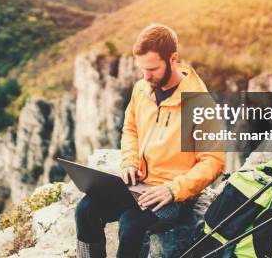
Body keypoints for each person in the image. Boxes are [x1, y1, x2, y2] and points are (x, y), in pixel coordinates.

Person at [75, 24, 225, 258]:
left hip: (173, 195)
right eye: (142, 69)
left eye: (152, 69)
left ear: (173, 58)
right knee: (86, 209)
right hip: (138, 184)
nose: (146, 76)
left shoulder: (200, 103)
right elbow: (130, 128)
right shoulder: (142, 89)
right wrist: (129, 163)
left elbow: (213, 162)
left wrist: (173, 190)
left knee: (131, 223)